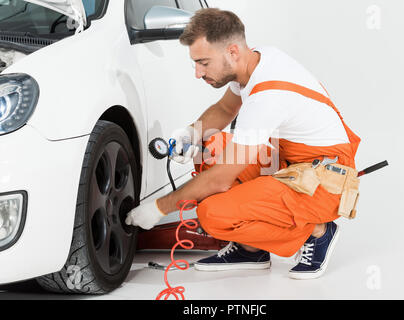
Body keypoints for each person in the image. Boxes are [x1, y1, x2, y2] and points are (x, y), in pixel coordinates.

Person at [125, 8, 360, 279]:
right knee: (208, 144)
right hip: (291, 162)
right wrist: (191, 133)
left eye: (204, 62)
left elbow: (220, 180)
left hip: (323, 180)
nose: (198, 74)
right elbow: (225, 109)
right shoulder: (256, 60)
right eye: (195, 64)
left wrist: (158, 208)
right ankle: (250, 250)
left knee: (211, 214)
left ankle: (318, 232)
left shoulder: (268, 96)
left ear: (232, 51)